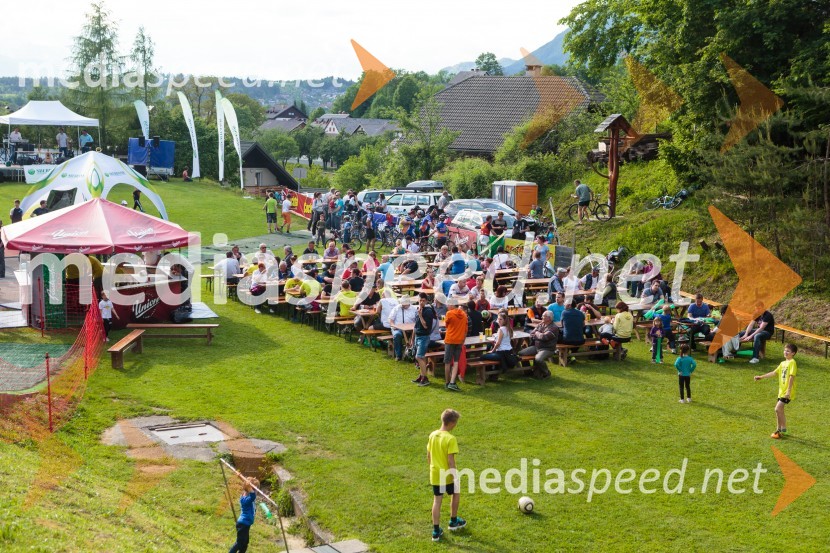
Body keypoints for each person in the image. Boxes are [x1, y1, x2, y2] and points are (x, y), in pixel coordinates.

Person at [427, 409, 465, 542]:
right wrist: (455, 476)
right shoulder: (450, 438)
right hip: (447, 475)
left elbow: (428, 455)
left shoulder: (433, 435)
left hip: (435, 474)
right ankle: (453, 521)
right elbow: (450, 460)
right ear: (452, 422)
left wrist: (432, 468)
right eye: (456, 422)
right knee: (456, 493)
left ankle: (436, 531)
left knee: (437, 501)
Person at [754, 344, 798, 439]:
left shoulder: (792, 362)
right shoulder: (783, 363)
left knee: (777, 409)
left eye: (788, 351)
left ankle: (779, 430)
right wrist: (761, 377)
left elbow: (791, 377)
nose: (785, 352)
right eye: (785, 350)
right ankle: (783, 430)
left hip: (787, 392)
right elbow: (774, 373)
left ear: (793, 353)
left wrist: (788, 391)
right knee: (780, 410)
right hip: (781, 391)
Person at [518, 310, 559, 379]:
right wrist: (538, 334)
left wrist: (537, 333)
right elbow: (532, 333)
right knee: (521, 353)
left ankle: (546, 373)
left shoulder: (554, 328)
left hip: (547, 349)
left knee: (538, 359)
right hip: (536, 347)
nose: (542, 317)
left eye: (544, 316)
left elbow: (544, 337)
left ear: (549, 318)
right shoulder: (541, 324)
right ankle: (528, 372)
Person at [413, 293, 438, 386]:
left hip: (424, 337)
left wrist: (420, 315)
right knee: (422, 357)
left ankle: (425, 378)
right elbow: (416, 325)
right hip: (418, 336)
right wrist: (412, 339)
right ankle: (421, 376)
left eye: (423, 301)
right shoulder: (418, 309)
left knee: (418, 357)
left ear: (426, 301)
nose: (421, 302)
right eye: (420, 300)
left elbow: (425, 326)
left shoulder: (428, 312)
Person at [228, 476, 258, 553]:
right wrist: (250, 488)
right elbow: (253, 496)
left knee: (245, 543)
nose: (255, 491)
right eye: (255, 489)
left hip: (246, 524)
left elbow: (252, 495)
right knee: (239, 543)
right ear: (249, 489)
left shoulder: (245, 495)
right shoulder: (246, 499)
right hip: (243, 524)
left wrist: (249, 483)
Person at [444, 301, 467, 392]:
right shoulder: (464, 315)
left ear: (452, 305)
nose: (447, 306)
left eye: (448, 304)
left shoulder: (449, 313)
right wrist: (463, 340)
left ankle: (447, 382)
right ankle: (452, 382)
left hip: (450, 340)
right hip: (460, 340)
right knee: (456, 361)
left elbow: (446, 325)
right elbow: (465, 330)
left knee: (447, 362)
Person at [389, 296, 418, 361]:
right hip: (398, 328)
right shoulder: (396, 308)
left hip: (411, 329)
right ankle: (398, 355)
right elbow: (390, 320)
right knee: (397, 335)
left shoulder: (414, 309)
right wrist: (393, 326)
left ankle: (412, 354)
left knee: (418, 334)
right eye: (402, 304)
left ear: (408, 303)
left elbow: (417, 321)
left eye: (404, 304)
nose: (403, 305)